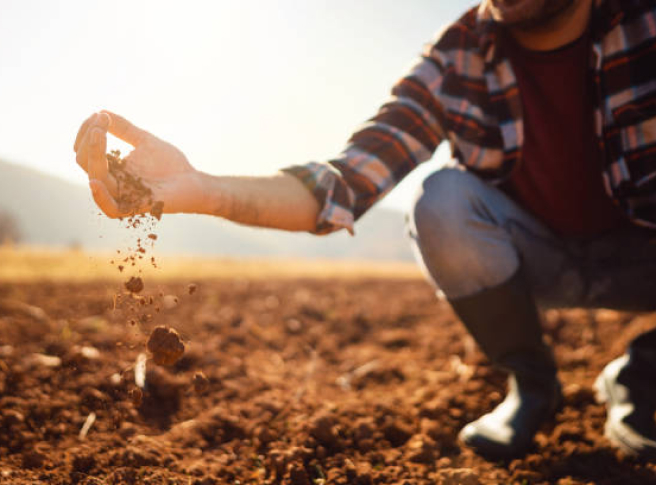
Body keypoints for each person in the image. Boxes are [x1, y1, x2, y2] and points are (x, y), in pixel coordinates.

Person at [74, 0, 656, 459]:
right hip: (539, 260)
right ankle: (532, 386)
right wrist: (204, 188)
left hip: (643, 253)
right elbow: (348, 181)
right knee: (443, 200)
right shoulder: (457, 57)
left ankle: (646, 373)